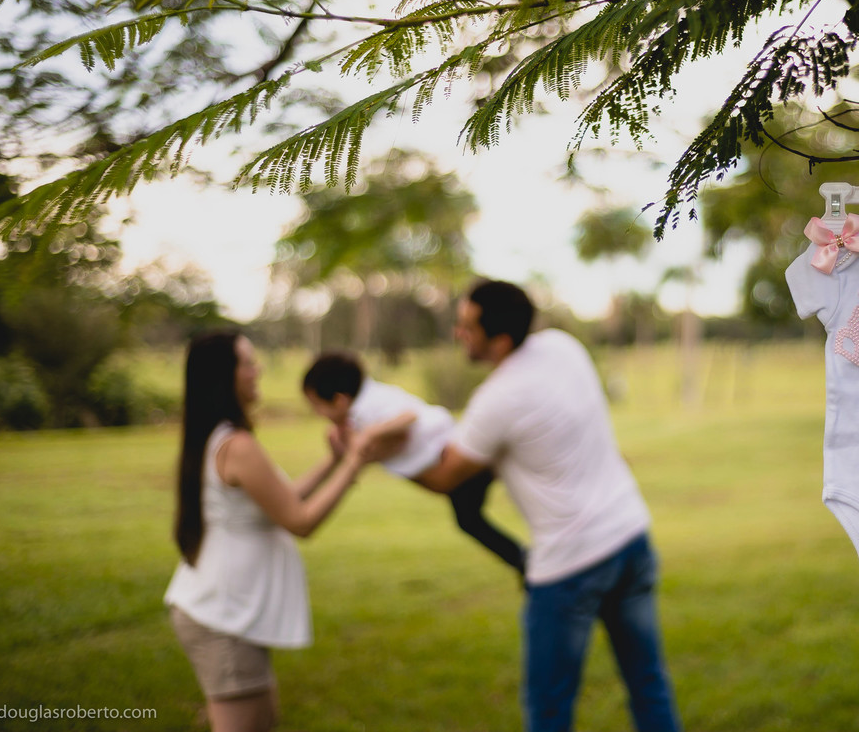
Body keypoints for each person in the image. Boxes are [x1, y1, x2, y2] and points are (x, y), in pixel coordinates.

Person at [414, 280, 682, 732]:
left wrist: (369, 453)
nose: (457, 333)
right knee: (648, 682)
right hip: (630, 536)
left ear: (498, 340)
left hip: (570, 567)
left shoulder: (496, 399)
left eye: (466, 327)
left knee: (549, 709)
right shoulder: (562, 347)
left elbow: (444, 476)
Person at [164, 330, 412, 732]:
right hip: (222, 616)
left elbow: (282, 499)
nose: (257, 369)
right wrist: (354, 462)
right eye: (247, 363)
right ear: (224, 376)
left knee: (264, 722)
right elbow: (300, 521)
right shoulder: (236, 444)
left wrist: (333, 463)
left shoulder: (223, 438)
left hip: (229, 612)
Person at [301, 351, 526, 575]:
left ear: (339, 401)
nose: (317, 413)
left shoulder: (367, 406)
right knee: (469, 519)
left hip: (449, 455)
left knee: (471, 517)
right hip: (447, 457)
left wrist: (368, 435)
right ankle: (524, 560)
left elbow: (407, 417)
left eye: (317, 405)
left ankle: (524, 560)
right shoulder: (362, 408)